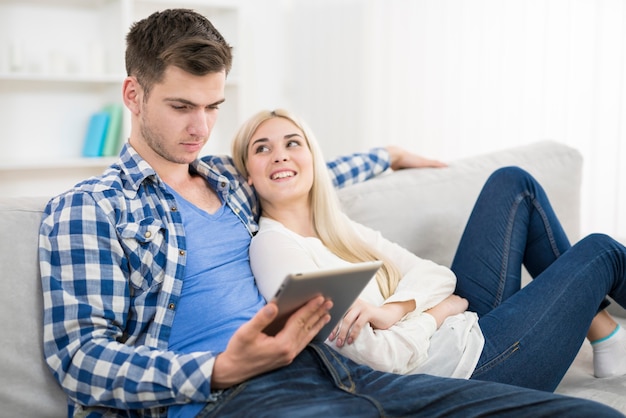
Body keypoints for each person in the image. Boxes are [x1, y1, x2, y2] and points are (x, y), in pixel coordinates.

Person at [38, 8, 625, 418]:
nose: (200, 128)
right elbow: (80, 357)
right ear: (134, 95)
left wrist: (386, 155)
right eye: (180, 106)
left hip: (341, 370)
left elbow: (300, 173)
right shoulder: (89, 209)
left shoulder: (228, 180)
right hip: (235, 396)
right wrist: (218, 368)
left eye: (214, 106)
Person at [233, 108, 626, 393]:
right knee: (602, 252)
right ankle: (607, 336)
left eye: (292, 143)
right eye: (262, 148)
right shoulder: (273, 248)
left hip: (463, 333)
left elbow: (438, 276)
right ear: (248, 174)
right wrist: (438, 312)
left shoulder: (340, 229)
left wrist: (392, 310)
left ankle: (605, 334)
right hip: (470, 371)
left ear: (313, 160)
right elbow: (379, 357)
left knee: (513, 185)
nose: (280, 154)